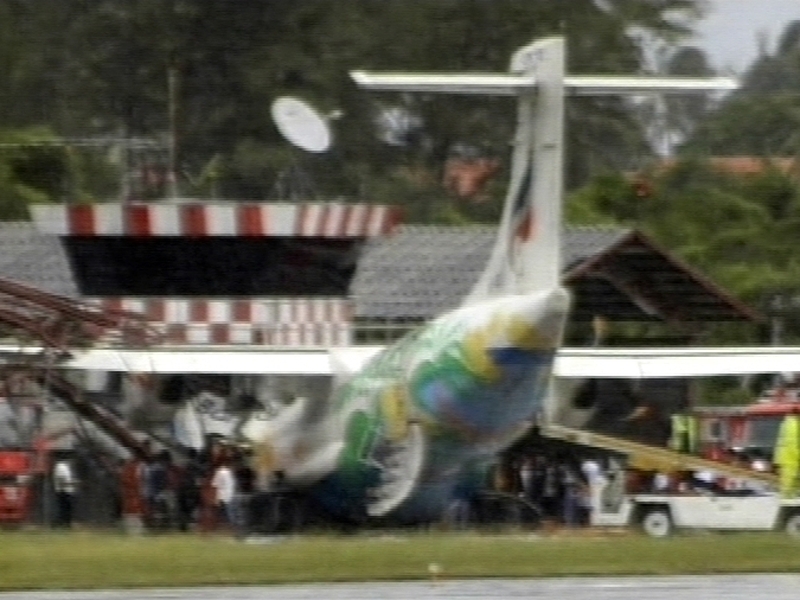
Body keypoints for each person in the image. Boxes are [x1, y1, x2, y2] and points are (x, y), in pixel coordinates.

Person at [52, 454, 77, 528]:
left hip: (65, 490)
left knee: (66, 508)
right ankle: (63, 523)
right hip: (64, 491)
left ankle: (66, 523)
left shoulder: (64, 467)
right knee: (65, 508)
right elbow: (62, 479)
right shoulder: (61, 467)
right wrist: (72, 483)